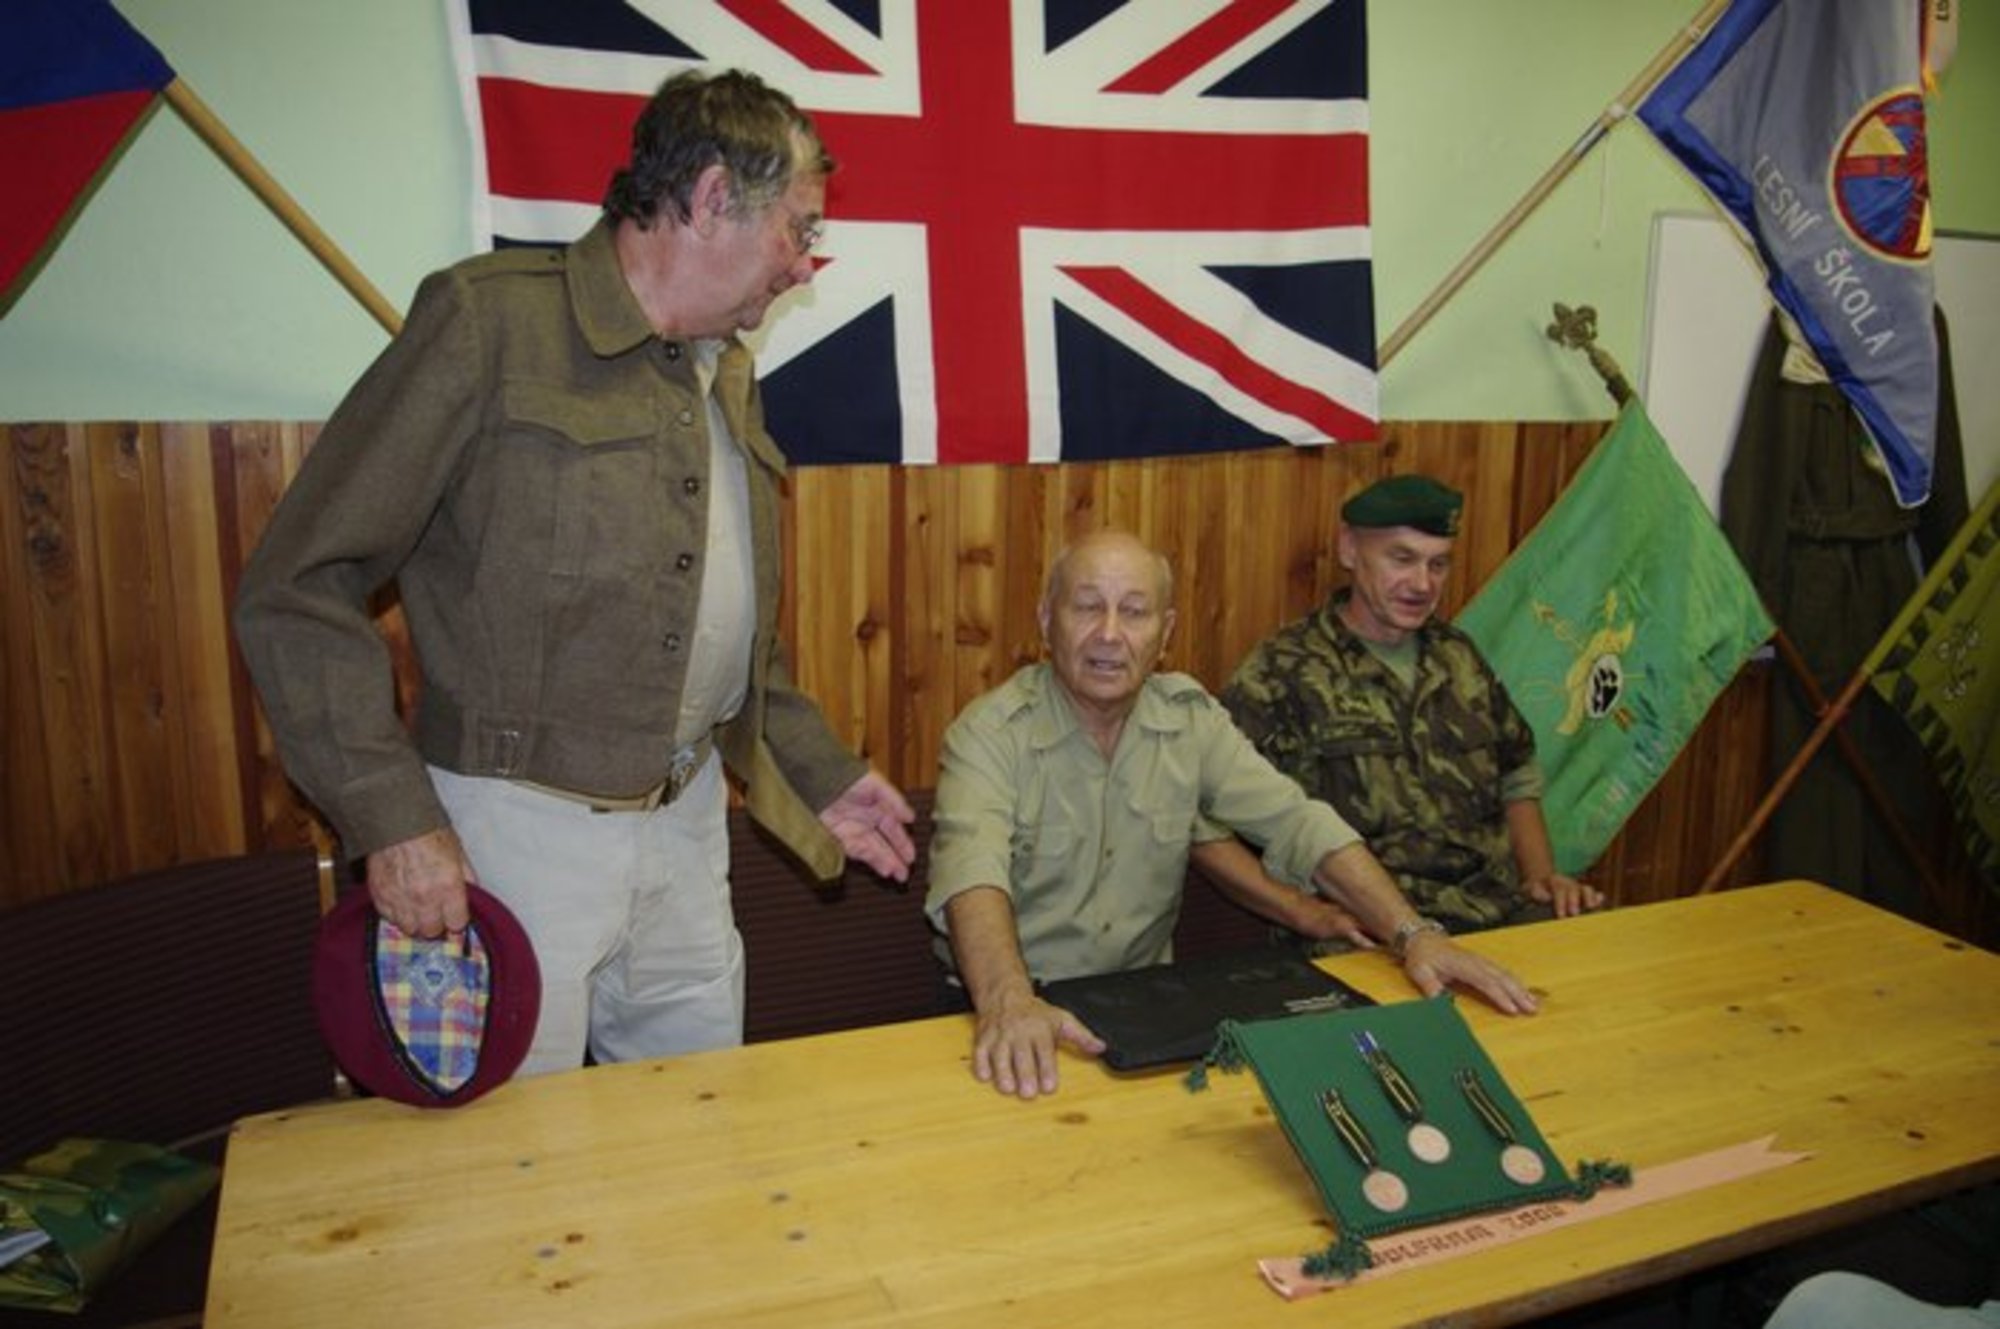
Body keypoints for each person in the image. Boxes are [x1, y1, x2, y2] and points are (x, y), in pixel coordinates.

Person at [234, 69, 915, 1077]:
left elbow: (717, 625)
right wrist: (392, 817)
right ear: (712, 197)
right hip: (512, 838)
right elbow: (297, 585)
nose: (803, 264)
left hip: (687, 824)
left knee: (695, 1123)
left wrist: (820, 770)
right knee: (511, 1147)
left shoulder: (719, 367)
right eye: (796, 228)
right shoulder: (489, 325)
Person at [925, 530, 1539, 1100]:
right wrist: (1009, 1002)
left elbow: (1298, 822)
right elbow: (972, 875)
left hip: (1143, 1011)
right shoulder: (989, 734)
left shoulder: (1190, 720)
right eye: (1087, 607)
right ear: (1045, 620)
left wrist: (1414, 934)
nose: (1109, 634)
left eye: (1134, 612)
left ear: (1165, 633)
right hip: (1013, 1009)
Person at [1221, 474, 1603, 934]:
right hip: (1364, 930)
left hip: (1494, 912)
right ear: (1349, 549)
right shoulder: (1280, 672)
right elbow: (1211, 823)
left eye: (1438, 564)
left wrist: (1541, 880)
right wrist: (1300, 911)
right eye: (1402, 559)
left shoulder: (1459, 657)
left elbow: (1516, 773)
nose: (1422, 584)